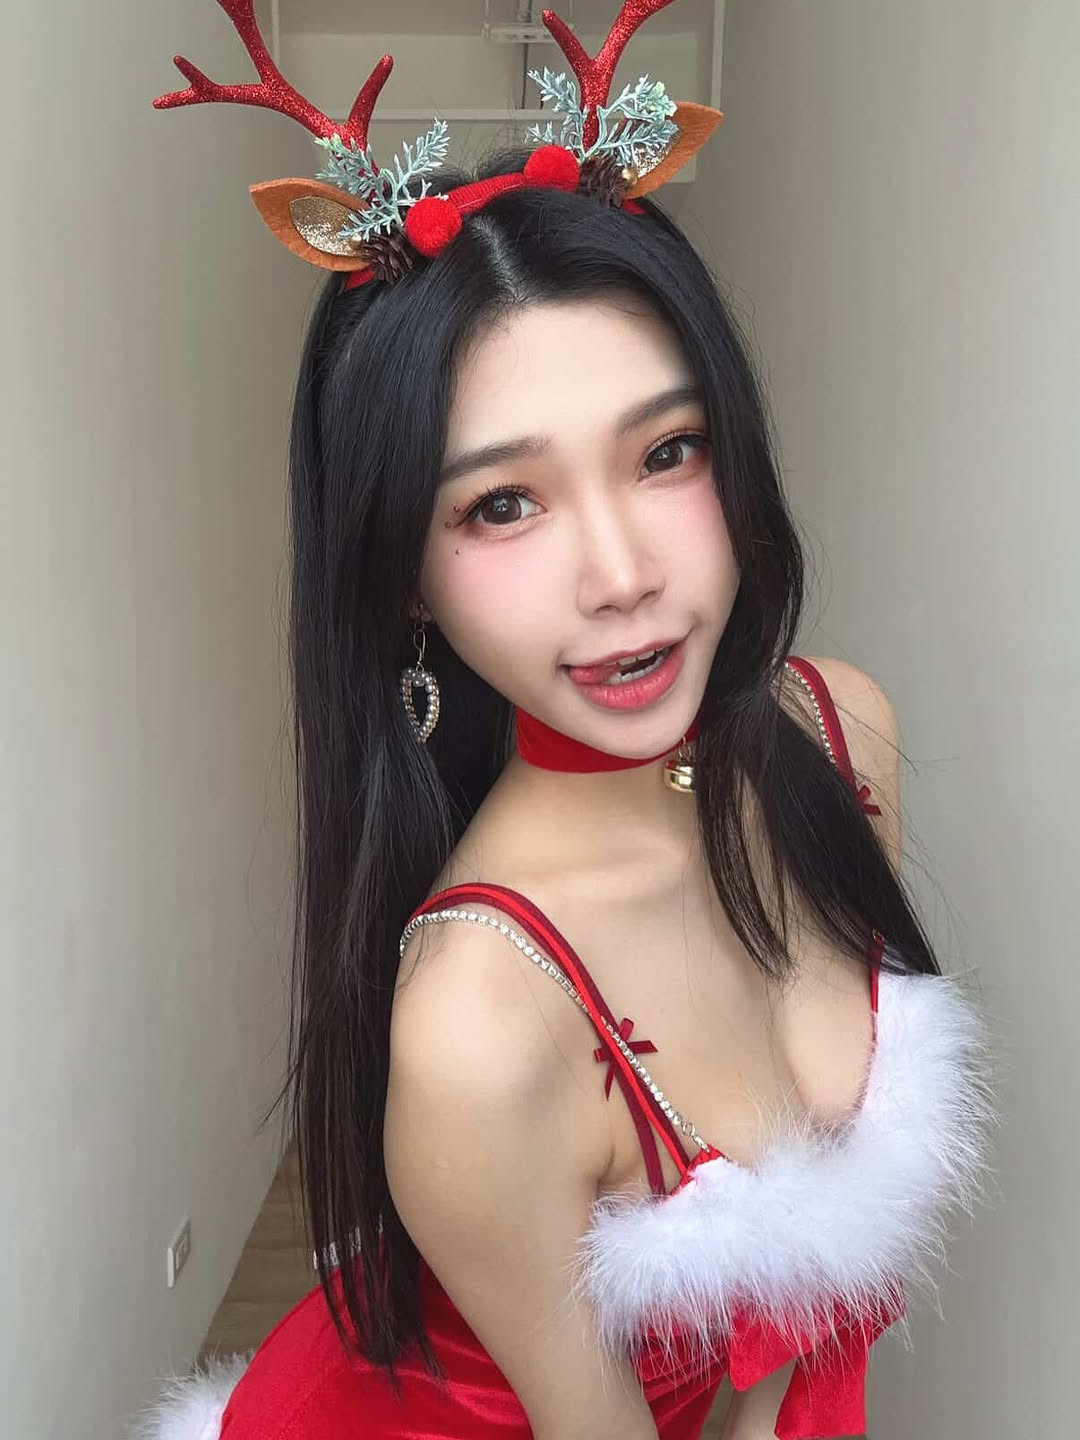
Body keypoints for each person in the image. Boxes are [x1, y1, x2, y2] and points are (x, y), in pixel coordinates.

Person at [133, 4, 996, 1437]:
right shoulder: (482, 1020)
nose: (621, 575)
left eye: (668, 451)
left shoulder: (842, 734)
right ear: (402, 578)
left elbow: (802, 1324)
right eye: (503, 504)